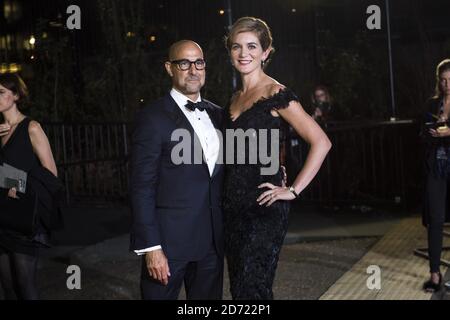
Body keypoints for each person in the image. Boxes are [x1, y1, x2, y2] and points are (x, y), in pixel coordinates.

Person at [223, 17, 332, 299]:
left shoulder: (276, 93)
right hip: (233, 209)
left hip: (263, 208)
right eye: (237, 46)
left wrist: (293, 190)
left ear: (266, 52)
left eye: (251, 46)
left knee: (251, 290)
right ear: (230, 51)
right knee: (240, 290)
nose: (243, 53)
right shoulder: (234, 99)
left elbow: (321, 142)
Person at [129, 40, 225, 300]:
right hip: (169, 245)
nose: (193, 70)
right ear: (169, 68)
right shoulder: (152, 118)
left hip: (211, 246)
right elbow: (141, 187)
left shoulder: (219, 115)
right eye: (184, 63)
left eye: (199, 63)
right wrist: (151, 247)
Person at [0, 73, 61, 300]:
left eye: (1, 92)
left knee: (26, 286)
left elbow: (51, 175)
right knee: (7, 287)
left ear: (15, 95)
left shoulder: (31, 127)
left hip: (24, 219)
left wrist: (17, 183)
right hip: (2, 217)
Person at [421, 58, 450, 292]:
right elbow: (420, 132)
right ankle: (434, 274)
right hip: (436, 166)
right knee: (435, 220)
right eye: (443, 81)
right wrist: (433, 131)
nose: (447, 85)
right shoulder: (432, 104)